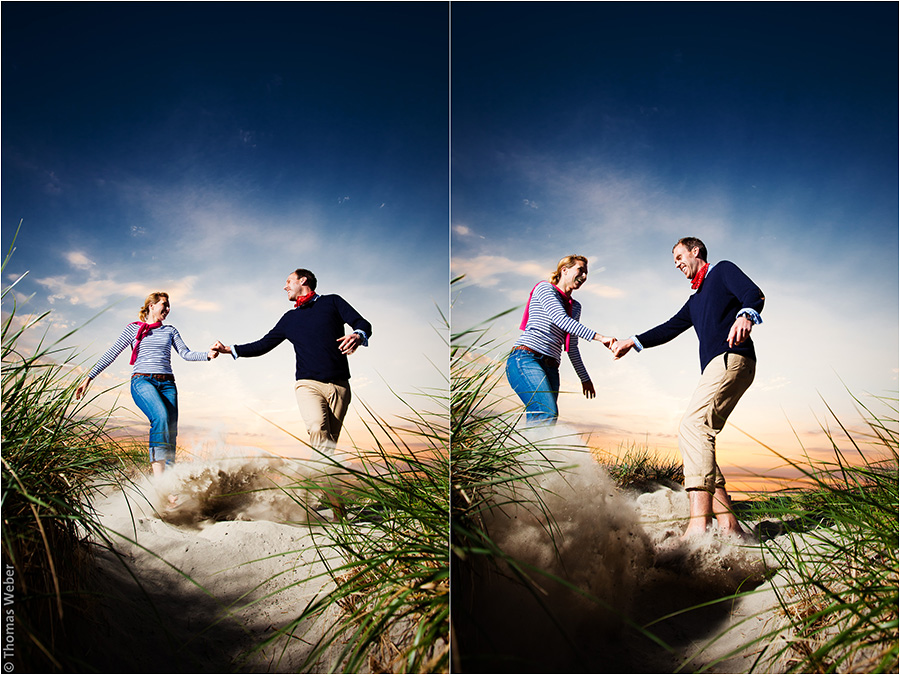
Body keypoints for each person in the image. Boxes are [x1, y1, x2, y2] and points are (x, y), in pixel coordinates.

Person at [611, 237, 764, 539]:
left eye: (680, 257)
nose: (677, 264)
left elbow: (753, 293)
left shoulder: (720, 271)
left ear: (695, 251)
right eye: (675, 261)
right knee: (700, 438)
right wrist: (633, 341)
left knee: (692, 427)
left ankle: (698, 525)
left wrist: (746, 314)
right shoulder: (695, 300)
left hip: (731, 357)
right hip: (720, 367)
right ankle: (730, 526)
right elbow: (669, 327)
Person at [211, 267, 371, 458]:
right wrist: (229, 349)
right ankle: (319, 484)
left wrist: (358, 335)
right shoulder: (290, 319)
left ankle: (321, 484)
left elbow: (362, 323)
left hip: (340, 387)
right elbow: (263, 344)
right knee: (317, 427)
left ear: (303, 280)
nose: (284, 287)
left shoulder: (332, 302)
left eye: (288, 282)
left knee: (329, 443)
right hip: (308, 384)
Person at [75, 292, 218, 477]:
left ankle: (170, 482)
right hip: (142, 381)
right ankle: (160, 482)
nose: (167, 310)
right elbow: (112, 354)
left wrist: (207, 354)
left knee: (171, 429)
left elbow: (185, 353)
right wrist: (89, 378)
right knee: (160, 416)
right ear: (151, 305)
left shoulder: (170, 331)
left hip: (167, 384)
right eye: (164, 305)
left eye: (169, 307)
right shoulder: (133, 329)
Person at [507, 254, 615, 426]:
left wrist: (585, 378)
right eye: (580, 270)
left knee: (546, 419)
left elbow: (571, 346)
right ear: (564, 270)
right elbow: (561, 320)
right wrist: (600, 338)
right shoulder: (544, 289)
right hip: (526, 359)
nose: (584, 276)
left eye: (586, 273)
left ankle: (528, 452)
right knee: (546, 412)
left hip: (551, 367)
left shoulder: (576, 307)